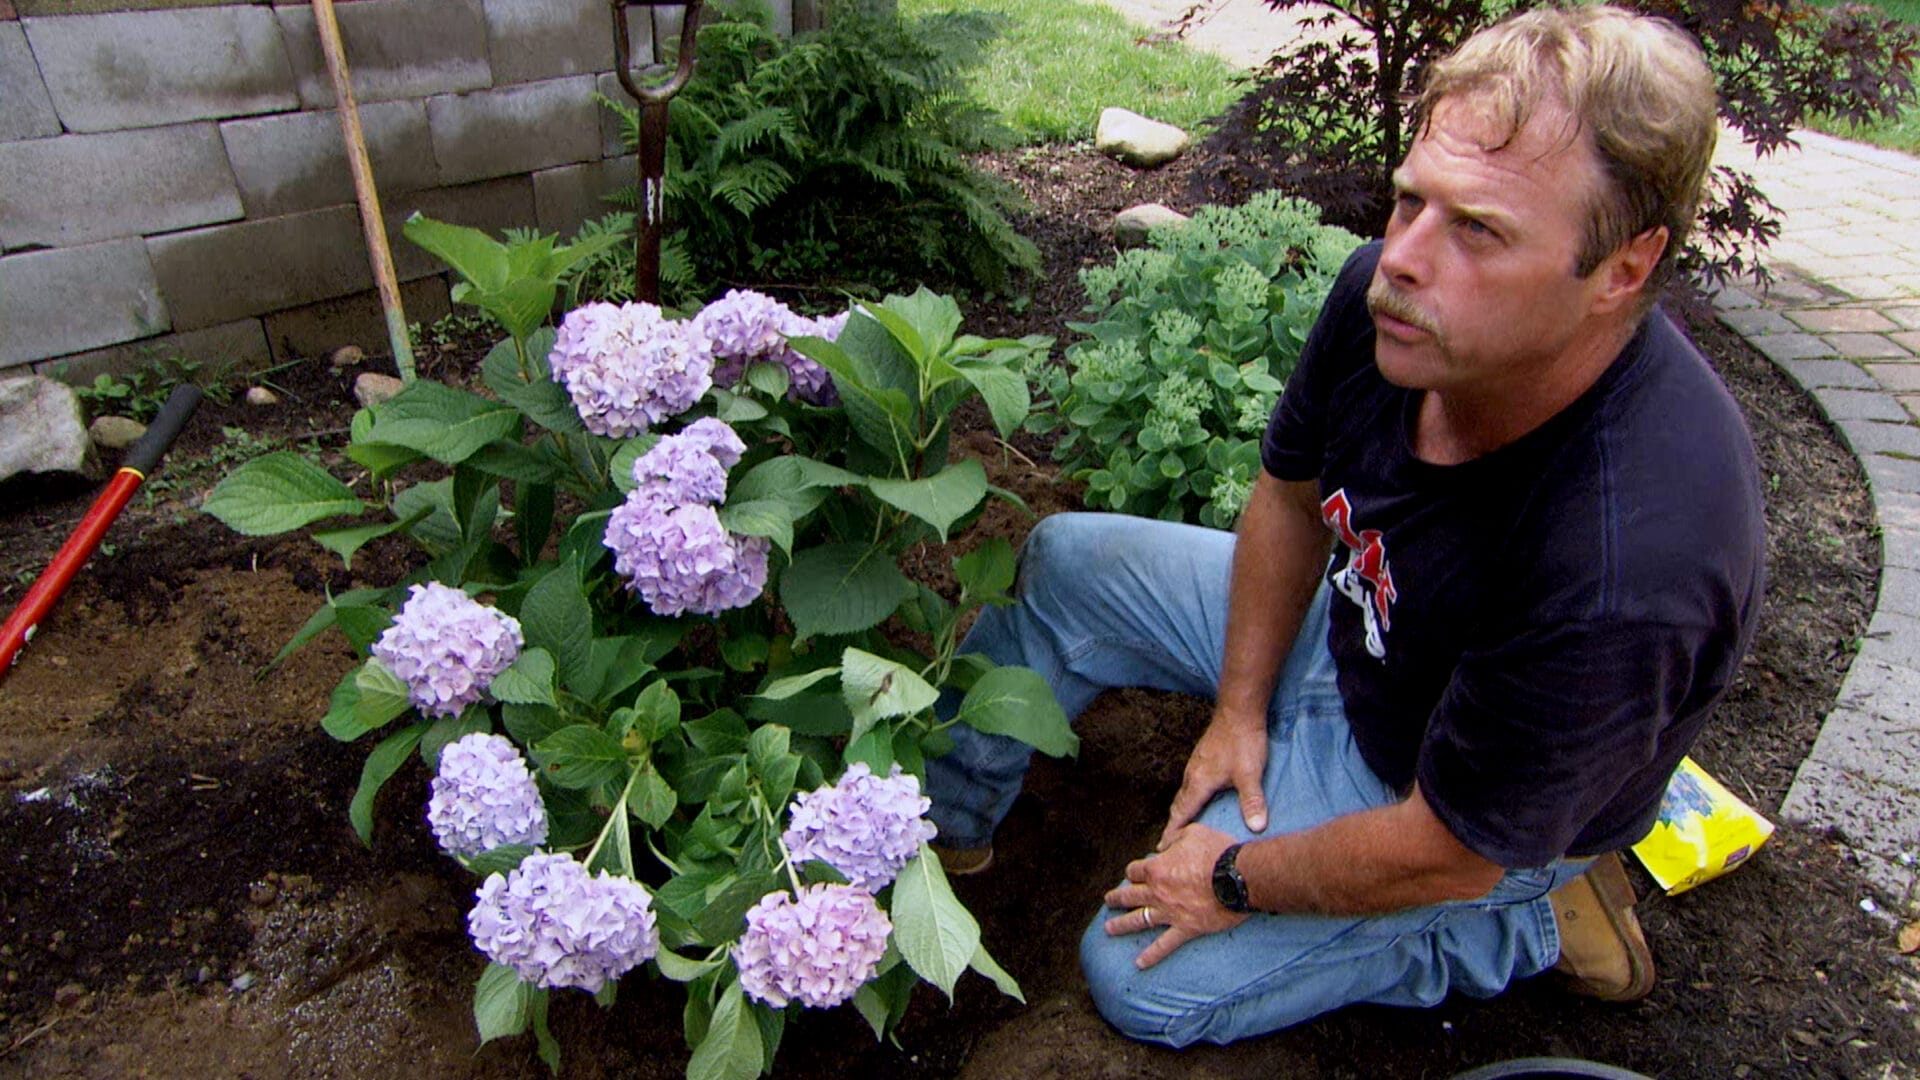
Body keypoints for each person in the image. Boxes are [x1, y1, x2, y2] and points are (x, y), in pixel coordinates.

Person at [923, 4, 1766, 1048]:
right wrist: (1238, 712)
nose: (1405, 256)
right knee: (1064, 564)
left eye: (1479, 230)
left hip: (1438, 795)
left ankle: (1533, 915)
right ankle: (927, 837)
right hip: (1361, 632)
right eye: (1414, 200)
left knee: (1139, 981)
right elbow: (1287, 496)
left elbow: (1448, 844)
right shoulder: (1398, 302)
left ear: (1623, 269)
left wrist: (1231, 877)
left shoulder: (1629, 562)